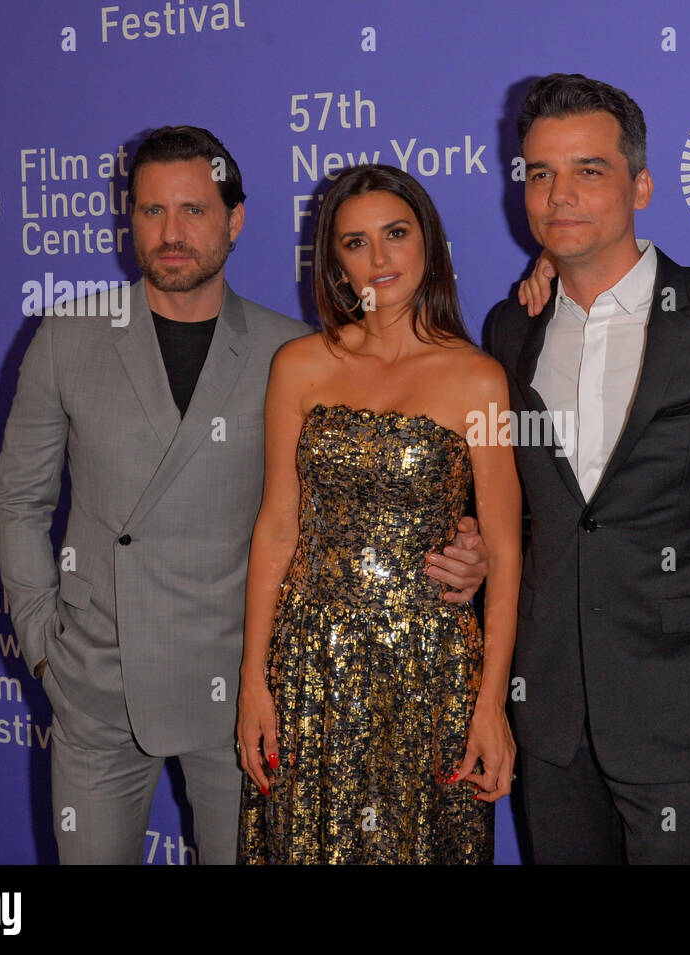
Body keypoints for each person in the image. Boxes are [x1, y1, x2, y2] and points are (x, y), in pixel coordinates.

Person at [0, 128, 488, 865]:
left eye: (193, 210)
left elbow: (364, 500)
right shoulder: (68, 337)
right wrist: (41, 646)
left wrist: (462, 548)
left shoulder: (294, 354)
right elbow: (18, 503)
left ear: (236, 219)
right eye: (151, 211)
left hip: (249, 693)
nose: (171, 233)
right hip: (101, 684)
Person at [486, 74, 690, 864]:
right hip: (548, 712)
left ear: (641, 184)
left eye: (589, 170)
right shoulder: (509, 328)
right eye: (539, 173)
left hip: (685, 710)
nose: (558, 195)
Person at [236, 164, 521, 864]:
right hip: (309, 666)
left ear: (428, 241)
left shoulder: (478, 377)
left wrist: (491, 704)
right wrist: (252, 680)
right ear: (334, 260)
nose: (380, 258)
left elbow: (508, 552)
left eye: (396, 234)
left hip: (431, 671)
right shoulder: (297, 365)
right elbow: (278, 525)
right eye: (356, 242)